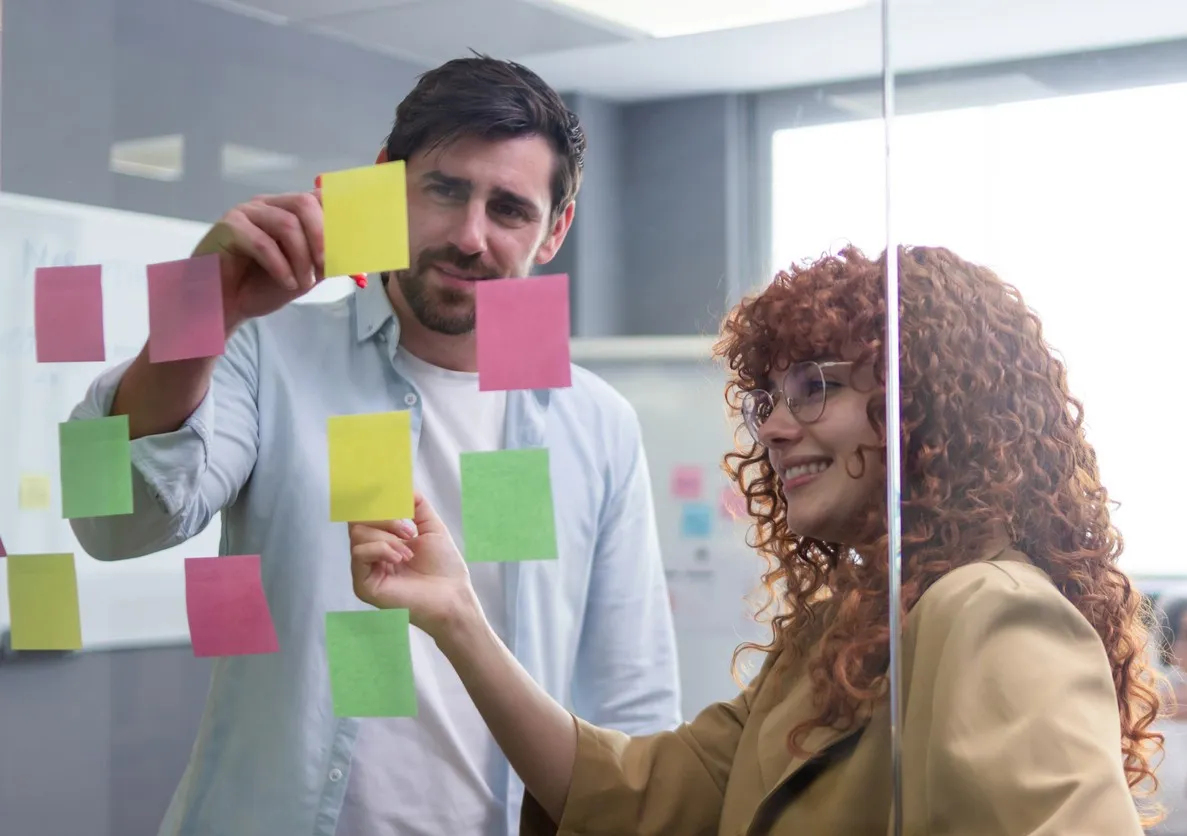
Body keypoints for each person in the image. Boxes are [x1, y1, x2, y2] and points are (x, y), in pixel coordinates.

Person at [349, 244, 1163, 834]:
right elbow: (638, 796)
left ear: (925, 407)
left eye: (816, 386)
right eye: (767, 396)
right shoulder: (841, 631)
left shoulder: (988, 610)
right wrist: (456, 616)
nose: (773, 427)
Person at [68, 55, 681, 836]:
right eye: (444, 190)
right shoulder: (269, 355)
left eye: (509, 209)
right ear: (385, 184)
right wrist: (204, 306)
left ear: (554, 230)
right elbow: (108, 522)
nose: (470, 236)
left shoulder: (594, 421)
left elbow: (633, 699)